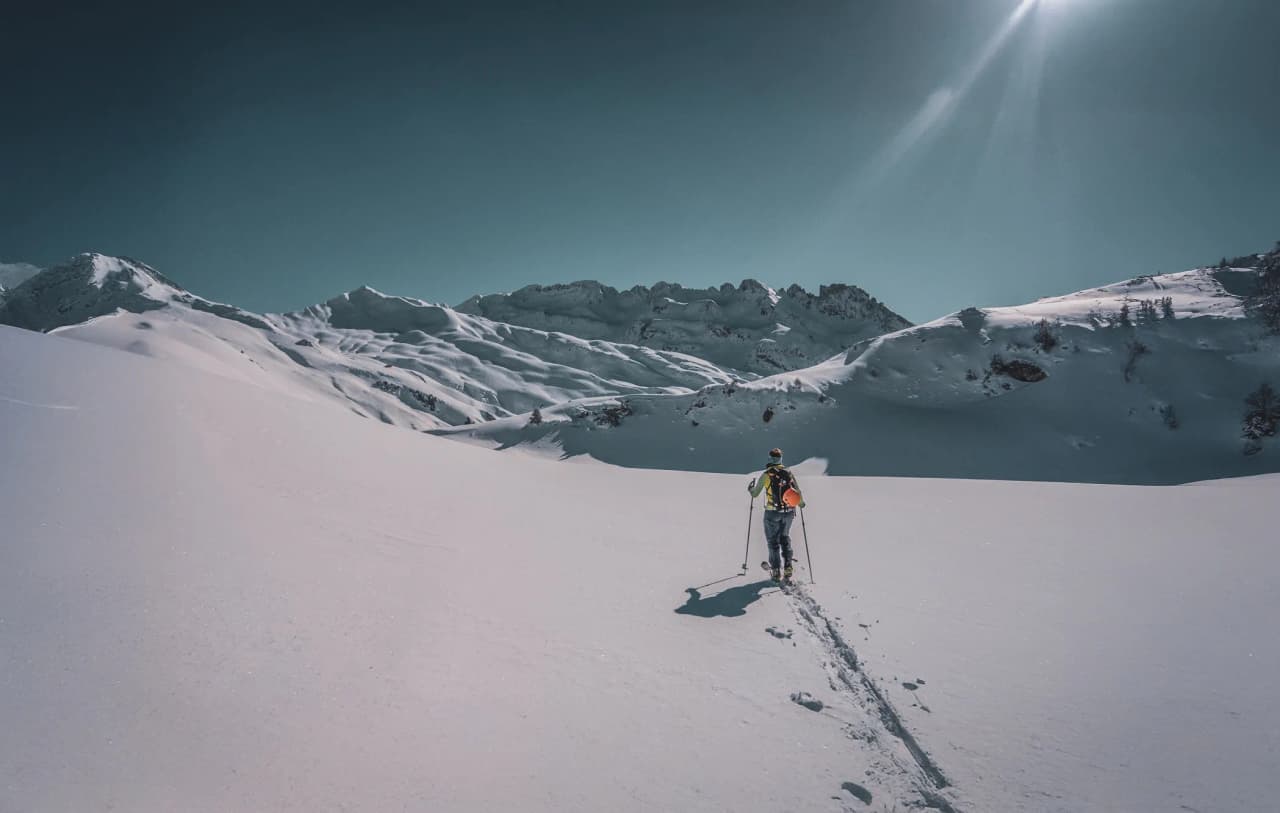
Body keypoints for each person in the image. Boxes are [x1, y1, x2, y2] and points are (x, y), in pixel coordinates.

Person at [747, 448, 805, 581]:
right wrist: (801, 503)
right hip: (789, 511)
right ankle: (788, 566)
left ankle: (776, 570)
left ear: (770, 458)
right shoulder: (789, 473)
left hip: (772, 512)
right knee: (785, 537)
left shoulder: (767, 474)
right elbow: (798, 491)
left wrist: (750, 489)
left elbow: (755, 494)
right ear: (781, 458)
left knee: (773, 541)